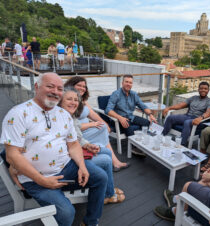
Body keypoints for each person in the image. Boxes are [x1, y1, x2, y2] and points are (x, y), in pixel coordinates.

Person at [0, 72, 108, 226]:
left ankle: (90, 222)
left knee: (101, 177)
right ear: (36, 87)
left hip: (66, 167)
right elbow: (11, 155)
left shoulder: (63, 114)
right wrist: (41, 180)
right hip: (35, 178)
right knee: (66, 213)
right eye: (50, 86)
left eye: (59, 88)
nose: (55, 92)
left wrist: (82, 166)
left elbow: (73, 144)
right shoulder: (18, 114)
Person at [58, 86, 125, 204]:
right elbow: (70, 144)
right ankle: (109, 194)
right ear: (61, 100)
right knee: (105, 160)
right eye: (69, 99)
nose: (73, 102)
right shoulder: (60, 118)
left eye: (75, 100)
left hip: (77, 148)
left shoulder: (71, 115)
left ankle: (108, 189)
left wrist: (88, 145)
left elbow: (77, 138)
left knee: (107, 151)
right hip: (69, 160)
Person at [64, 76, 130, 171]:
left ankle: (114, 161)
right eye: (79, 85)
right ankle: (114, 161)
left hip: (86, 129)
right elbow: (73, 127)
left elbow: (92, 113)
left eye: (84, 86)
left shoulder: (82, 100)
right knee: (101, 129)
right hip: (79, 134)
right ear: (71, 85)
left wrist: (105, 123)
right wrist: (92, 124)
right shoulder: (69, 102)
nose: (82, 88)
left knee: (102, 127)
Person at [105, 74, 157, 156]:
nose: (128, 84)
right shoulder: (116, 94)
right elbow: (108, 110)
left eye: (130, 82)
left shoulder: (134, 94)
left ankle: (143, 142)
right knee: (127, 125)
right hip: (118, 119)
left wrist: (150, 115)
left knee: (147, 123)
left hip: (130, 117)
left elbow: (142, 106)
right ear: (122, 83)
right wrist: (120, 118)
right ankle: (134, 148)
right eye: (126, 82)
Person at [162, 81, 210, 146]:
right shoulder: (193, 98)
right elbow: (181, 105)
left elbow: (208, 113)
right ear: (198, 89)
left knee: (187, 122)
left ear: (208, 90)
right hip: (187, 116)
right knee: (170, 117)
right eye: (201, 88)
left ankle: (181, 145)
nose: (203, 90)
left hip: (199, 120)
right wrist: (169, 108)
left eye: (205, 89)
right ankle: (162, 136)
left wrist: (201, 118)